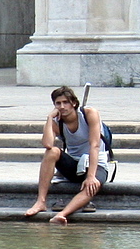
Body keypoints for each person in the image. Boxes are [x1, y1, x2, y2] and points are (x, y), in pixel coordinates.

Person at [24, 85, 110, 225]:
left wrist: (91, 176)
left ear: (74, 103)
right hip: (74, 165)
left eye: (65, 102)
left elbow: (94, 145)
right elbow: (47, 144)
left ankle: (62, 214)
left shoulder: (89, 114)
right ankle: (41, 202)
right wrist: (49, 118)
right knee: (52, 152)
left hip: (96, 164)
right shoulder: (57, 122)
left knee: (92, 185)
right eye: (58, 103)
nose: (62, 106)